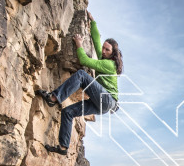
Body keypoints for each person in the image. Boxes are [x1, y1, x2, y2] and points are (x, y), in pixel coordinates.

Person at [37, 11, 123, 155]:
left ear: (112, 54)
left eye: (107, 50)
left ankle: (54, 98)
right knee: (68, 112)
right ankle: (63, 147)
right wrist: (93, 22)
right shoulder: (104, 57)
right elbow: (96, 41)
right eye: (104, 47)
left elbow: (84, 61)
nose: (103, 50)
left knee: (82, 75)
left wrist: (79, 45)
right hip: (102, 105)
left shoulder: (109, 64)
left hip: (107, 99)